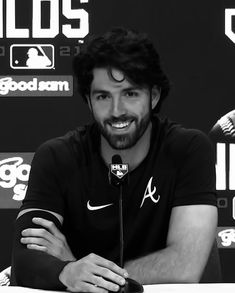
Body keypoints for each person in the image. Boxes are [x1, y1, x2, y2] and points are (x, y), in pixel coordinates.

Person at [11, 27, 218, 292]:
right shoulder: (56, 156)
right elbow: (25, 258)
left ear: (153, 96)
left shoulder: (188, 149)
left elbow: (185, 267)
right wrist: (69, 271)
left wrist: (77, 268)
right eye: (103, 96)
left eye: (130, 94)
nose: (117, 111)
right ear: (88, 101)